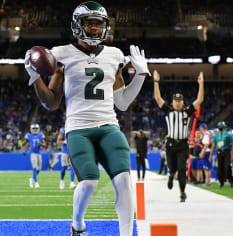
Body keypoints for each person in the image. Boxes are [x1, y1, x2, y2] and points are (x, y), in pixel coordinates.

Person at [24, 2, 150, 235]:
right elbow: (51, 103)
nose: (93, 29)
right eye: (88, 23)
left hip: (109, 126)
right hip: (79, 128)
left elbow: (121, 102)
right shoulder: (61, 54)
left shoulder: (114, 55)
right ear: (77, 25)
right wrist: (35, 78)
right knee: (89, 181)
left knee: (124, 181)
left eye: (98, 24)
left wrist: (141, 76)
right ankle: (78, 226)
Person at [153, 69, 204, 202]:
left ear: (182, 102)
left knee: (181, 169)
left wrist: (201, 84)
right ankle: (170, 175)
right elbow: (158, 98)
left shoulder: (187, 112)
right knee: (172, 167)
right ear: (172, 102)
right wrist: (156, 81)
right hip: (170, 144)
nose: (177, 102)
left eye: (179, 100)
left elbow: (200, 99)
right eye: (175, 100)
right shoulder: (168, 111)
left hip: (182, 144)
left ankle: (182, 192)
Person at [209, 121, 233, 188]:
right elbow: (213, 145)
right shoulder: (216, 136)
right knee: (220, 167)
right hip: (219, 152)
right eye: (219, 126)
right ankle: (221, 183)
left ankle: (231, 181)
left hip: (226, 151)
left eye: (221, 126)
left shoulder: (228, 134)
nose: (220, 127)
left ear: (224, 127)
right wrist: (211, 154)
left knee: (227, 166)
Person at [24, 123, 47, 189]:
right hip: (33, 153)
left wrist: (40, 143)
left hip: (39, 153)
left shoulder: (41, 135)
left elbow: (45, 145)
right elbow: (24, 143)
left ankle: (32, 179)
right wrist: (23, 148)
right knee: (35, 168)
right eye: (33, 128)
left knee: (39, 169)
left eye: (36, 128)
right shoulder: (28, 135)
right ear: (31, 129)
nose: (35, 130)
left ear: (38, 129)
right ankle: (36, 183)